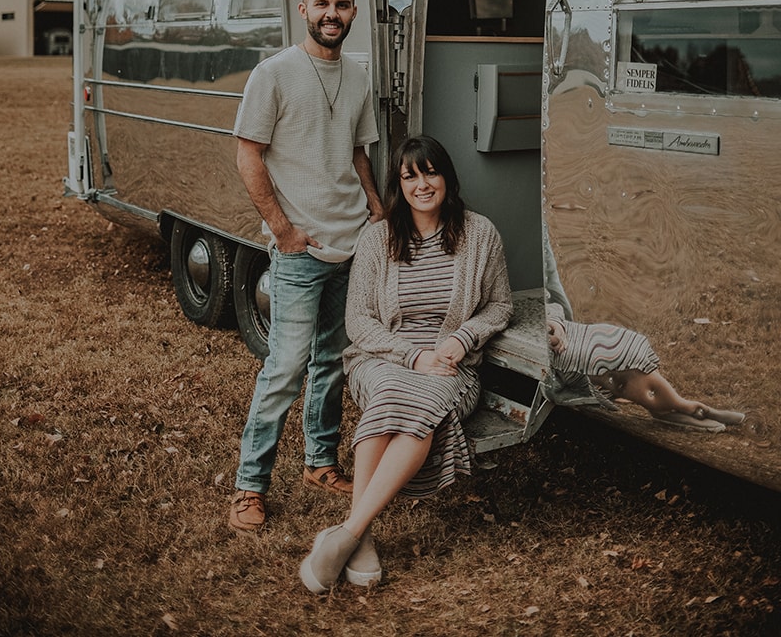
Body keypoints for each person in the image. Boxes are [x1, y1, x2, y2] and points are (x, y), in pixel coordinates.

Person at [298, 135, 514, 593]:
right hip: (382, 358)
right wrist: (412, 356)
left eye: (430, 172)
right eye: (409, 176)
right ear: (399, 185)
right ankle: (359, 534)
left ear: (446, 177)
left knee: (422, 403)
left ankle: (349, 533)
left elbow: (500, 306)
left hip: (451, 366)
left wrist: (462, 338)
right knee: (394, 391)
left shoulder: (480, 234)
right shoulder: (378, 239)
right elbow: (359, 321)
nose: (422, 185)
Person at [229, 0, 383, 533]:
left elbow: (357, 152)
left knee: (333, 360)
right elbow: (248, 154)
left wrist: (375, 206)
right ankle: (249, 486)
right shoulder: (273, 74)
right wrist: (283, 230)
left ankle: (320, 462)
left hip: (350, 244)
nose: (331, 13)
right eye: (322, 4)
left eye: (342, 4)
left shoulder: (357, 76)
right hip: (299, 251)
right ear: (303, 10)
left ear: (354, 12)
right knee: (286, 368)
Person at [545, 306, 745, 431]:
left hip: (584, 336)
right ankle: (690, 410)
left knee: (628, 357)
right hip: (574, 359)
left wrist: (556, 324)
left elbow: (550, 304)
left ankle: (679, 410)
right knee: (621, 373)